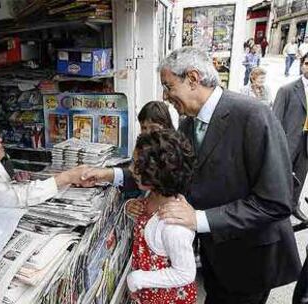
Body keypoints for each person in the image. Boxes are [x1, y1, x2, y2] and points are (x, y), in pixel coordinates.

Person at [157, 47, 300, 304]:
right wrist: (111, 175)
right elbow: (171, 169)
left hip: (250, 262)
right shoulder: (189, 122)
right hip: (217, 259)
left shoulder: (253, 115)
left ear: (192, 78)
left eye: (168, 87)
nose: (166, 97)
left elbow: (277, 202)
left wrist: (199, 219)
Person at [126, 129, 197, 304]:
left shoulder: (173, 226)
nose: (130, 169)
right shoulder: (153, 196)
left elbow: (185, 273)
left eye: (136, 165)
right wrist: (130, 206)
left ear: (154, 174)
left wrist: (138, 279)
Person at [81, 100, 175, 216]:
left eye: (153, 128)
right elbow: (135, 184)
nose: (147, 133)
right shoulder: (141, 148)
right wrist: (130, 204)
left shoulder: (172, 158)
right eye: (143, 128)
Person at [273, 53, 308, 304]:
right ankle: (281, 207)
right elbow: (274, 120)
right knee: (283, 181)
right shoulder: (288, 90)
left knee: (300, 180)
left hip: (306, 147)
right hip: (288, 145)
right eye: (307, 62)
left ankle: (294, 205)